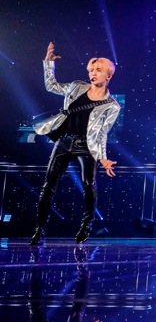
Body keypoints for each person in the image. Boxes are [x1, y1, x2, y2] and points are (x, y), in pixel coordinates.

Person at [30, 42, 121, 246]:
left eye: (98, 70)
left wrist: (103, 158)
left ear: (108, 76)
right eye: (91, 70)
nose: (93, 73)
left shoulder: (112, 106)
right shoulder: (76, 87)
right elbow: (51, 86)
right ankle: (39, 230)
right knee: (49, 184)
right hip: (64, 141)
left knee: (89, 184)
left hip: (87, 146)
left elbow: (102, 133)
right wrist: (49, 64)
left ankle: (86, 226)